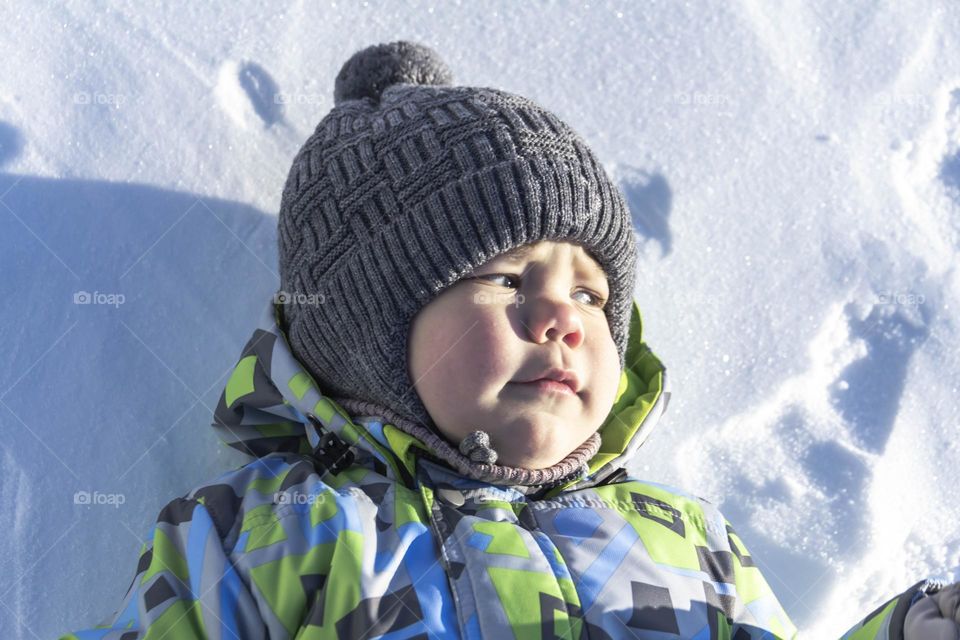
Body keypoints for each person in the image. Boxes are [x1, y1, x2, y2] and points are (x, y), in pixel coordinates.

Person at [60, 40, 956, 640]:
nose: (563, 316)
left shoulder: (685, 540)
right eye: (504, 281)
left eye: (594, 294)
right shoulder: (264, 530)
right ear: (373, 330)